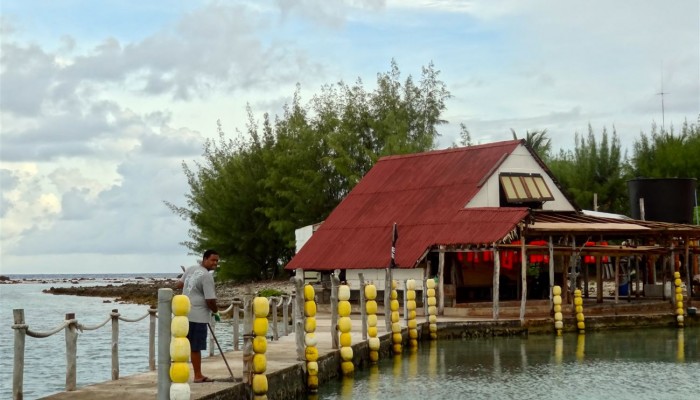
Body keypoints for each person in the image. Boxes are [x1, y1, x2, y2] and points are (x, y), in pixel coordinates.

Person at [176, 249, 220, 383]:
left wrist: (190, 284)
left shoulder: (190, 269)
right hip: (198, 316)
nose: (215, 263)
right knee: (195, 347)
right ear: (204, 259)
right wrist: (216, 312)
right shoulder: (207, 276)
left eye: (217, 261)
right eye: (213, 260)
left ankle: (177, 374)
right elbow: (210, 300)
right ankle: (198, 375)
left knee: (181, 345)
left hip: (183, 314)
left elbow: (179, 284)